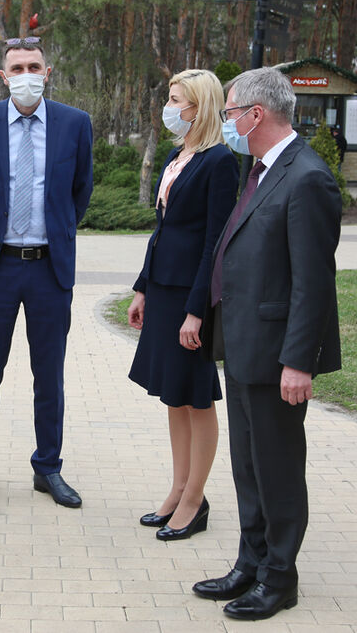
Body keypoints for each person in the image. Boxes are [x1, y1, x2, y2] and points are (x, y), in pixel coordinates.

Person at [196, 67, 341, 621]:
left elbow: (313, 281)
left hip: (278, 355)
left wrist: (298, 362)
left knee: (277, 469)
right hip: (243, 347)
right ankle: (249, 564)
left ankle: (280, 578)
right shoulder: (259, 170)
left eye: (231, 111)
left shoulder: (307, 177)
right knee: (248, 467)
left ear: (256, 114)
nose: (227, 121)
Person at [0, 38, 93, 508]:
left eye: (34, 66)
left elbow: (80, 192)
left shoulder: (75, 124)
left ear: (48, 71)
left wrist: (52, 233)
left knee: (48, 375)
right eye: (17, 67)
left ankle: (48, 468)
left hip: (48, 271)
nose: (26, 74)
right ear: (3, 75)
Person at [127, 69, 238, 541]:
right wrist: (142, 287)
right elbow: (162, 230)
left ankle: (195, 499)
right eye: (170, 99)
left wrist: (198, 310)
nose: (170, 109)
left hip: (191, 296)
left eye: (177, 101)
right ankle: (177, 489)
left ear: (201, 106)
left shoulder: (219, 162)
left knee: (196, 394)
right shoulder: (178, 155)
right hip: (164, 289)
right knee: (173, 393)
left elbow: (214, 242)